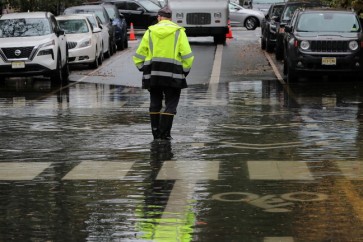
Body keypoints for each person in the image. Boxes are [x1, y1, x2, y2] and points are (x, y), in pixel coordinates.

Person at [133, 6, 194, 140]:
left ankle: (156, 134)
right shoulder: (179, 32)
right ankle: (165, 134)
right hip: (173, 75)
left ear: (159, 18)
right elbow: (188, 56)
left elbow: (139, 55)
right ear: (171, 19)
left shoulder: (150, 32)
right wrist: (184, 70)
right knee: (171, 104)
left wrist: (142, 68)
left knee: (155, 102)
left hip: (153, 75)